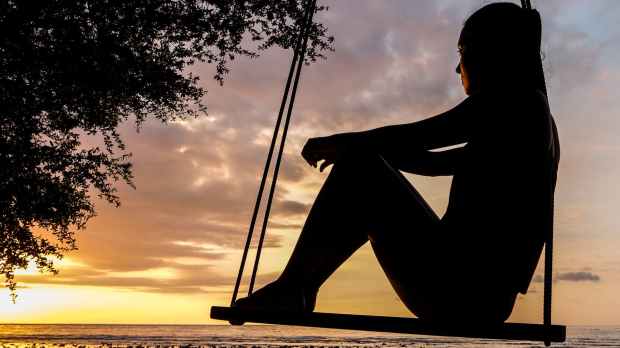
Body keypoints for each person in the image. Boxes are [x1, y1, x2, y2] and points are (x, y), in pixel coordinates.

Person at [233, 2, 560, 323]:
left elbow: (426, 134)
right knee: (363, 164)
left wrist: (347, 145)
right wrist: (364, 151)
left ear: (490, 50)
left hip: (461, 289)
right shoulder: (524, 122)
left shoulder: (518, 103)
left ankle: (293, 289)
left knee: (360, 166)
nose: (458, 68)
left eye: (462, 52)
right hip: (477, 295)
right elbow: (430, 162)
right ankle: (296, 289)